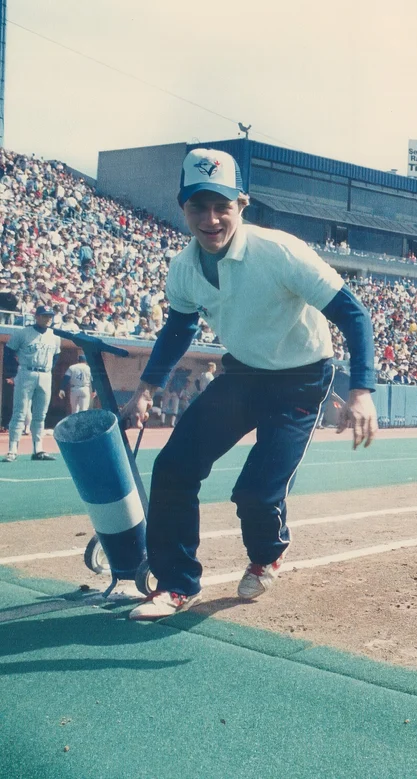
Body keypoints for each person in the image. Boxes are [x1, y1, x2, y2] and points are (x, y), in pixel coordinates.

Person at [123, 148, 377, 621]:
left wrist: (361, 390)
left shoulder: (278, 251)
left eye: (222, 206)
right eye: (198, 206)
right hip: (242, 372)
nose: (211, 219)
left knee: (257, 492)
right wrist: (145, 389)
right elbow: (178, 329)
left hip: (301, 378)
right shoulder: (183, 267)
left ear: (243, 204)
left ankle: (267, 555)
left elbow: (353, 313)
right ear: (183, 208)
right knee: (175, 466)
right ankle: (177, 584)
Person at [3, 305, 61, 462]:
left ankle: (38, 449)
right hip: (26, 372)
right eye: (44, 316)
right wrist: (11, 374)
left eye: (50, 316)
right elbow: (8, 352)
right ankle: (12, 449)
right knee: (20, 412)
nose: (48, 319)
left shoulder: (55, 336)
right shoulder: (23, 333)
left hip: (45, 374)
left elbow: (56, 357)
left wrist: (48, 370)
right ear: (36, 317)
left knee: (40, 414)